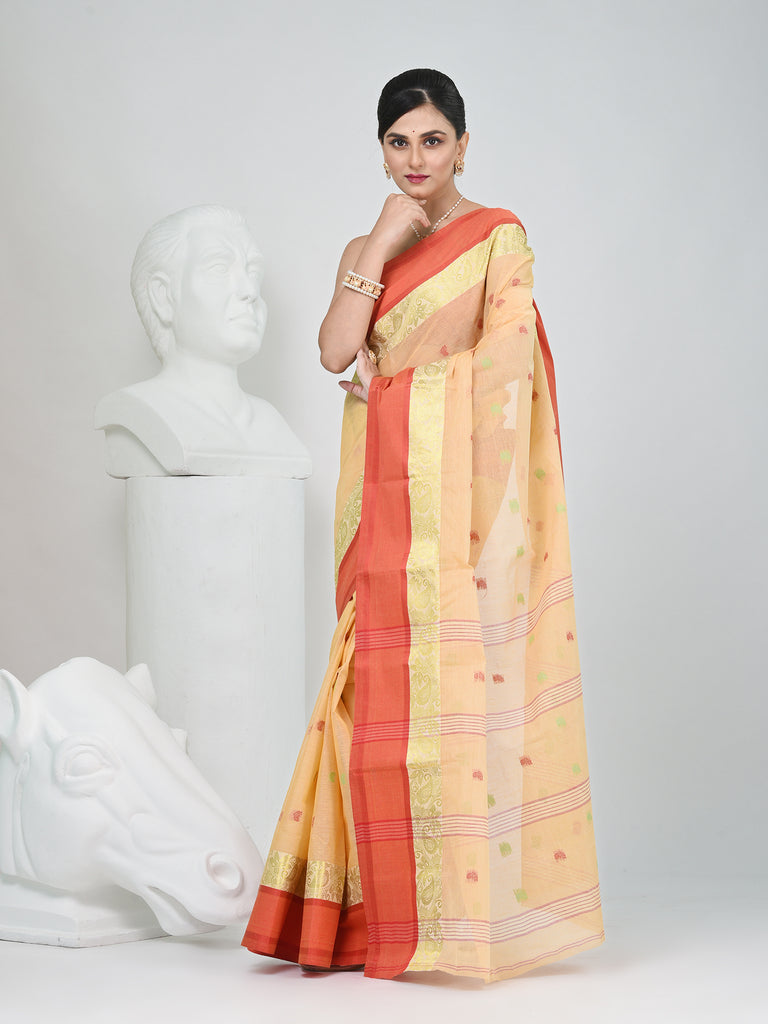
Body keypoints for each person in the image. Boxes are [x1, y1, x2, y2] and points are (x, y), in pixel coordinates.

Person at [242, 68, 604, 982]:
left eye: (433, 140)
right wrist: (384, 237)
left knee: (453, 703)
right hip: (377, 501)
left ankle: (457, 917)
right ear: (381, 150)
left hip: (456, 508)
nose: (416, 159)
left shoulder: (498, 238)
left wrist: (395, 391)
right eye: (398, 142)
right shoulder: (367, 242)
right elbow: (334, 350)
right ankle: (361, 915)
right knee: (366, 694)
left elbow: (507, 363)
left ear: (464, 146)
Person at [95, 205, 310, 479]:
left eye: (253, 272)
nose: (250, 291)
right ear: (163, 296)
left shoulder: (271, 424)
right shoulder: (136, 409)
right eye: (219, 268)